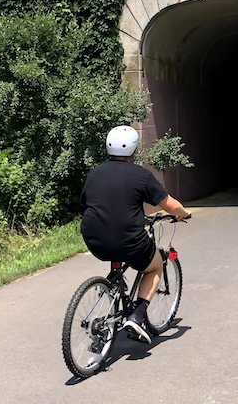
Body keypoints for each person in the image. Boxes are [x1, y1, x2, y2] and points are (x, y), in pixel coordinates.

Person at [80, 125, 192, 344]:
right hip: (128, 239)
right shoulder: (141, 176)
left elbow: (90, 202)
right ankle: (137, 316)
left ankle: (113, 286)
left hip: (93, 238)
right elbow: (169, 205)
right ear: (133, 150)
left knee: (117, 250)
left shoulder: (94, 173)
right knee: (155, 266)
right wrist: (183, 213)